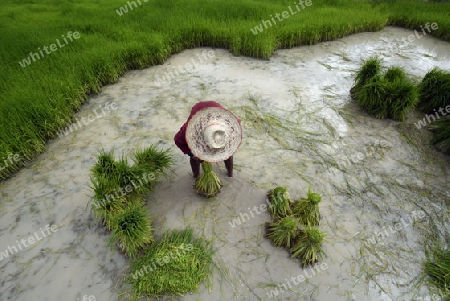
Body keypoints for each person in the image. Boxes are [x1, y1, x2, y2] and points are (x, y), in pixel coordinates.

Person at [174, 101, 242, 178]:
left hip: (216, 112)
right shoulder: (188, 131)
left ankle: (230, 173)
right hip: (199, 112)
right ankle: (196, 175)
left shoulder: (230, 127)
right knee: (194, 153)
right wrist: (192, 154)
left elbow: (231, 146)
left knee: (228, 153)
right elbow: (177, 140)